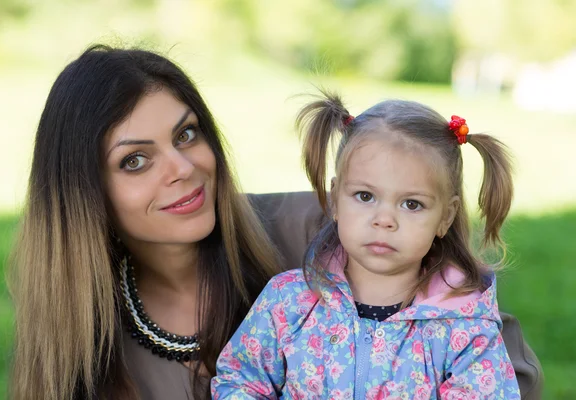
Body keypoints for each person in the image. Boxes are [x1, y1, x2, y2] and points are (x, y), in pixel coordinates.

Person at [7, 46, 542, 400]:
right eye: (135, 160)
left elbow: (501, 360)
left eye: (187, 134)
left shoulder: (327, 232)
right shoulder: (82, 332)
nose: (183, 169)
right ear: (83, 194)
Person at [212, 92, 526, 398]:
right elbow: (240, 381)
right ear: (335, 199)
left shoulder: (463, 325)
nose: (384, 219)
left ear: (446, 216)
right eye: (365, 196)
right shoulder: (289, 302)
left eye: (412, 204)